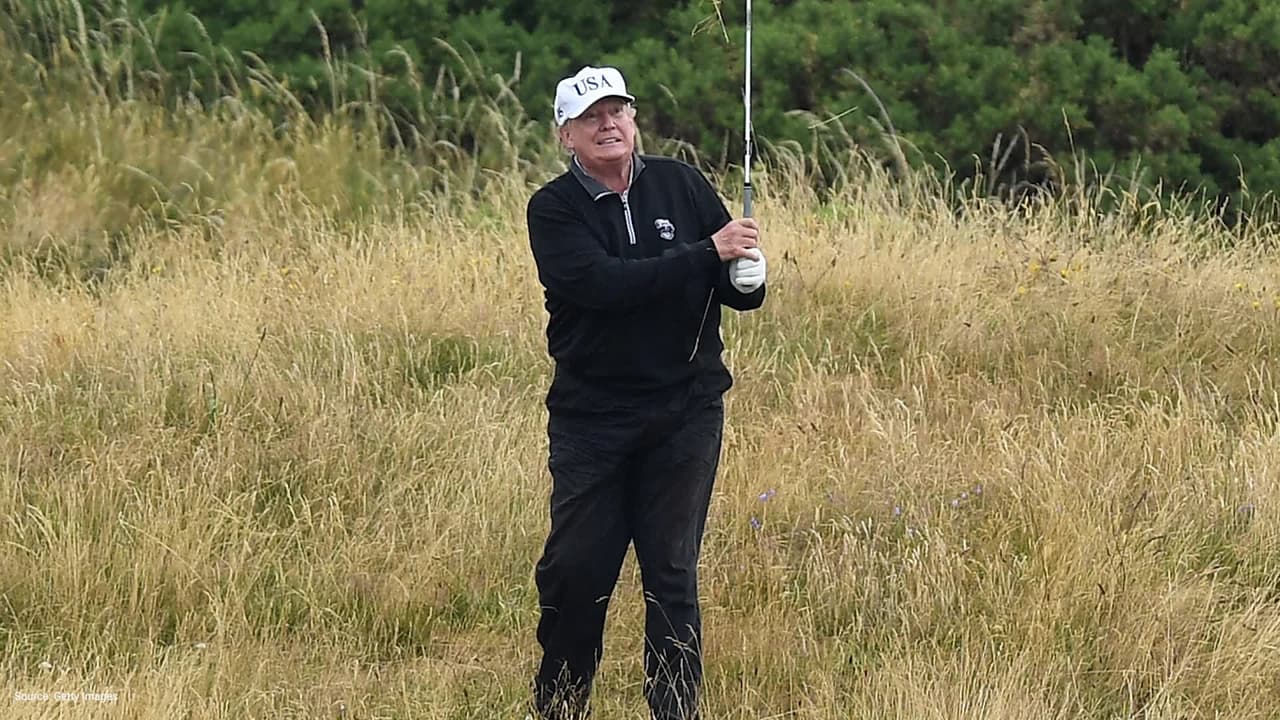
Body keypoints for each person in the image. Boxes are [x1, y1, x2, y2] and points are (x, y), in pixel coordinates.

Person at [525, 65, 768, 720]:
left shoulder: (681, 185)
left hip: (686, 410)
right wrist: (708, 254)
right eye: (590, 117)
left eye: (618, 110)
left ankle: (674, 710)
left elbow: (731, 281)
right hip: (592, 417)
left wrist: (748, 278)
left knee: (671, 572)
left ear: (633, 119)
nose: (608, 124)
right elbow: (604, 287)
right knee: (577, 571)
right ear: (566, 135)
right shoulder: (554, 209)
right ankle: (561, 705)